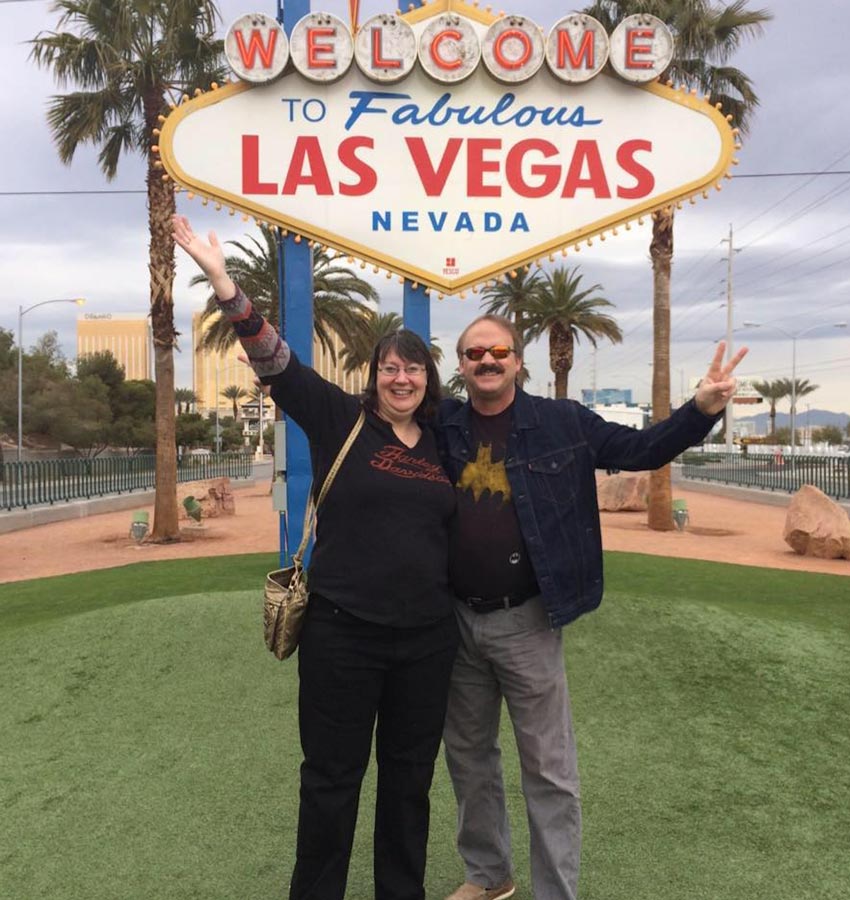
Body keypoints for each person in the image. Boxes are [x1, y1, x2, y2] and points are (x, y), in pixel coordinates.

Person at [173, 215, 459, 900]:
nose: (401, 378)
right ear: (373, 375)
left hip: (426, 641)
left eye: (413, 368)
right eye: (390, 367)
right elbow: (277, 362)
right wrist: (222, 282)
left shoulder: (448, 441)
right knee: (331, 780)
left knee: (409, 780)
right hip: (342, 632)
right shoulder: (340, 418)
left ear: (429, 378)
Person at [437, 314, 747, 900]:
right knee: (469, 760)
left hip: (527, 619)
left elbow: (639, 448)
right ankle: (488, 875)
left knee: (549, 770)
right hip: (456, 620)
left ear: (518, 361)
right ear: (461, 364)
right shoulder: (443, 424)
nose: (487, 360)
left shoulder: (562, 422)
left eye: (498, 350)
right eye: (474, 352)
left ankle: (555, 892)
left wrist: (700, 408)